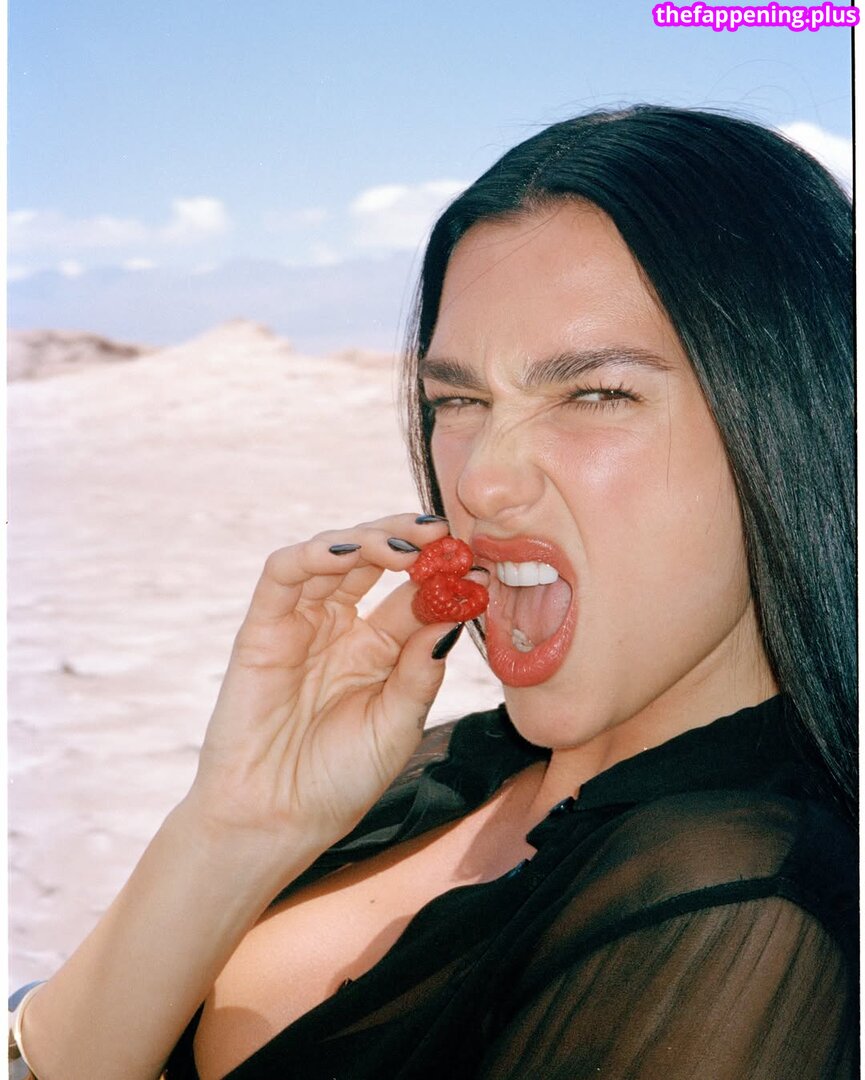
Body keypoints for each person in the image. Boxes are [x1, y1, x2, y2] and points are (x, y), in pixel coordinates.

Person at [10, 105, 856, 1079]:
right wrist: (237, 826)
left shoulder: (731, 910)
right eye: (457, 400)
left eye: (594, 393)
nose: (481, 480)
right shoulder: (453, 764)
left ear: (792, 421)